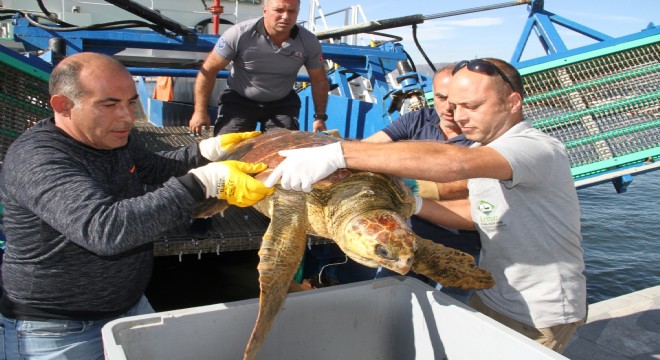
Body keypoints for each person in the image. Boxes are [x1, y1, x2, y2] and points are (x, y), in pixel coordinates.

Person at [263, 58, 587, 353]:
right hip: (491, 294)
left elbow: (455, 163)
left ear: (512, 102)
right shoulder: (485, 147)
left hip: (538, 311)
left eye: (472, 106)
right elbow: (480, 214)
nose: (459, 116)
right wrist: (414, 203)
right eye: (454, 105)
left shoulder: (534, 148)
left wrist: (339, 154)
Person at [0, 52, 274, 359]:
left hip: (129, 308)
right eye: (109, 104)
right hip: (56, 331)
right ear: (63, 106)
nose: (128, 116)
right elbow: (106, 230)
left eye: (131, 102)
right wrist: (202, 183)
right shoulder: (38, 159)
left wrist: (205, 151)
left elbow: (156, 168)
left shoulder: (113, 138)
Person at [362, 64, 481, 302]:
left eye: (457, 100)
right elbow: (367, 148)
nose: (448, 107)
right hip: (413, 239)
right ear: (431, 94)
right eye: (441, 97)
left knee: (455, 309)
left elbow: (474, 186)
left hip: (464, 246)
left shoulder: (481, 136)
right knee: (385, 299)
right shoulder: (418, 120)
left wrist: (411, 185)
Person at [189, 0, 329, 136]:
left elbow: (319, 80)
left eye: (291, 11)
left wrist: (320, 117)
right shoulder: (239, 34)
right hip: (239, 99)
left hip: (281, 103)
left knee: (282, 151)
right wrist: (200, 111)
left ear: (297, 13)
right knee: (226, 147)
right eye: (279, 10)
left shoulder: (309, 42)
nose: (285, 16)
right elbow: (208, 70)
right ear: (265, 10)